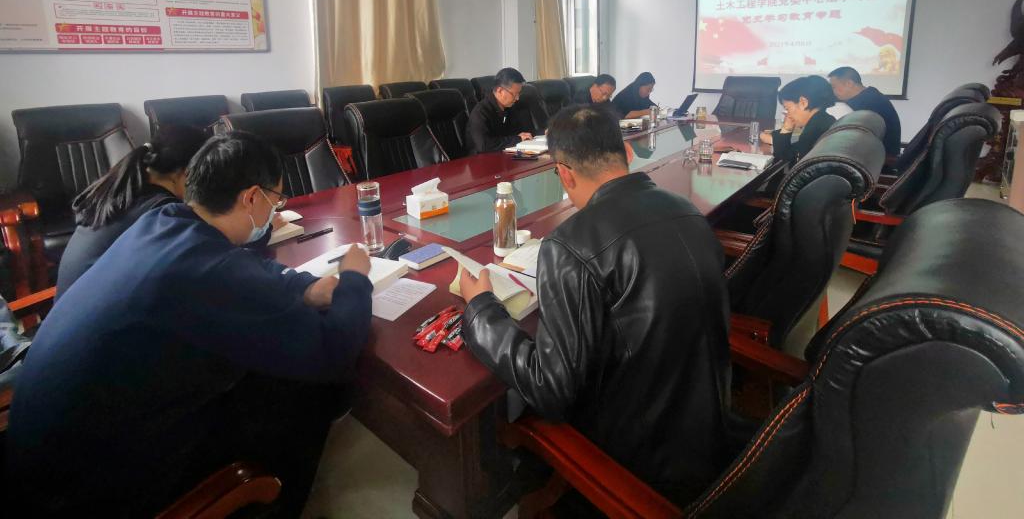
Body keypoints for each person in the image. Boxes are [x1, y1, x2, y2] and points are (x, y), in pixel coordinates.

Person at [6, 131, 373, 517]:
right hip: (87, 492)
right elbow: (334, 349)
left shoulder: (162, 222)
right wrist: (354, 279)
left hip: (40, 461)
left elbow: (245, 270)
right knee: (310, 387)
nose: (275, 209)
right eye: (276, 199)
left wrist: (303, 288)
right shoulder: (206, 268)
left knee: (258, 372)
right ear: (252, 197)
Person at [458, 105, 732, 506]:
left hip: (638, 457)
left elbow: (551, 389)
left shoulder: (571, 242)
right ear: (627, 152)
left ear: (564, 173)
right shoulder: (687, 209)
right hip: (707, 423)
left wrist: (482, 309)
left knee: (510, 404)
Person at [56, 124, 208, 300]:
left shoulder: (119, 193)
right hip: (98, 307)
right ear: (187, 172)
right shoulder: (162, 213)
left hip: (68, 307)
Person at [760, 76, 837, 163]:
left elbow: (787, 161)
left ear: (803, 103)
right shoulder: (825, 120)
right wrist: (786, 130)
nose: (787, 114)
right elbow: (790, 152)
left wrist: (785, 129)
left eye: (787, 108)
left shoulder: (812, 132)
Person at [828, 66, 902, 156]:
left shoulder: (871, 103)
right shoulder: (870, 96)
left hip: (879, 158)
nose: (833, 92)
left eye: (834, 87)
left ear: (849, 83)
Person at [466, 67, 533, 154]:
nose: (517, 98)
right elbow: (484, 145)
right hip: (481, 159)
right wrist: (517, 139)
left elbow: (523, 132)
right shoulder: (480, 112)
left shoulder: (510, 107)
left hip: (504, 154)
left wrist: (543, 132)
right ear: (500, 91)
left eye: (519, 93)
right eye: (514, 94)